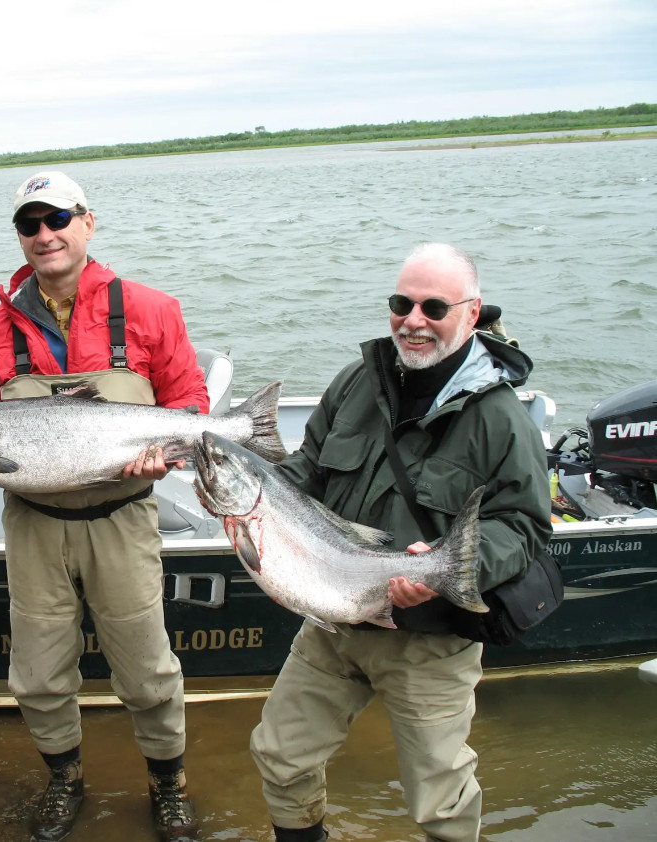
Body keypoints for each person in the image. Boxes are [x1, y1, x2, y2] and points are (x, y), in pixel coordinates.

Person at [249, 243, 552, 842]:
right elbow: (306, 467)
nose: (413, 321)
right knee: (279, 757)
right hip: (333, 623)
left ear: (472, 314)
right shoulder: (358, 380)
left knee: (440, 802)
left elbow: (523, 529)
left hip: (430, 642)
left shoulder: (500, 418)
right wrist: (254, 501)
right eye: (401, 303)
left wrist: (439, 573)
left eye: (433, 307)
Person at [0, 171, 206, 842]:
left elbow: (191, 405)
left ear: (87, 223)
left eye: (56, 219)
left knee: (147, 671)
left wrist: (169, 451)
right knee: (36, 675)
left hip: (122, 519)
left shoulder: (151, 310)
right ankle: (64, 781)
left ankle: (168, 787)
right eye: (29, 225)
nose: (44, 235)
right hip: (33, 526)